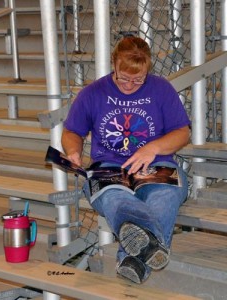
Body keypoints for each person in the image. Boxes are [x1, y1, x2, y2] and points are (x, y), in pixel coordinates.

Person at [61, 36, 191, 284]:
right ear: (114, 63)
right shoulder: (93, 93)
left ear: (148, 70)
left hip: (157, 165)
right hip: (108, 167)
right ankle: (146, 252)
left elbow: (182, 132)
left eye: (138, 79)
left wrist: (152, 148)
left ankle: (131, 260)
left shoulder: (161, 89)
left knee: (163, 197)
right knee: (115, 198)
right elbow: (71, 132)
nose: (130, 85)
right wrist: (73, 151)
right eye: (124, 77)